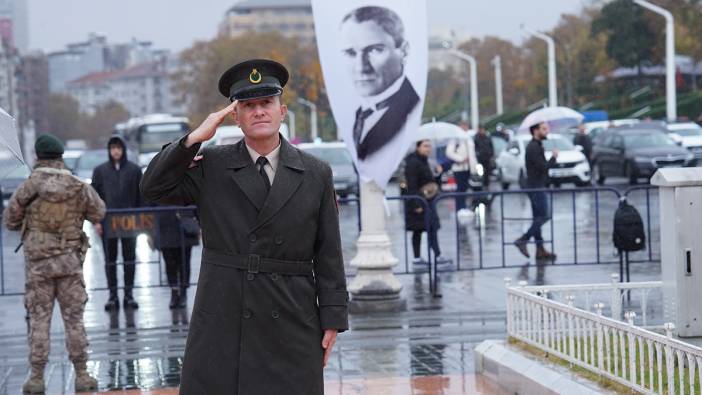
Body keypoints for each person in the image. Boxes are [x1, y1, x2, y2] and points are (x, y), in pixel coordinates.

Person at [140, 59, 348, 394]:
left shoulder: (316, 172)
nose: (259, 112)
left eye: (266, 103)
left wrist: (334, 317)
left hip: (292, 311)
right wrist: (193, 139)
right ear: (235, 117)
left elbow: (328, 252)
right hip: (225, 312)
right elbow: (151, 187)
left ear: (282, 110)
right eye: (248, 106)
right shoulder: (213, 166)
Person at [3, 134, 105, 393]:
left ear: (38, 156)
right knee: (74, 320)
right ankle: (82, 375)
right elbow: (99, 212)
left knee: (39, 320)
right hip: (70, 263)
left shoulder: (29, 185)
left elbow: (10, 220)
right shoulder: (77, 185)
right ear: (60, 156)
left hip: (38, 267)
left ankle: (36, 378)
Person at [340, 6, 420, 162]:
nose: (361, 67)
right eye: (351, 53)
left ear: (404, 50)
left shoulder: (412, 111)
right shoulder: (359, 114)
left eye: (375, 50)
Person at [91, 135, 143, 311]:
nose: (116, 151)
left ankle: (129, 294)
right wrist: (96, 221)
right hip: (108, 222)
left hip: (129, 222)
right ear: (109, 150)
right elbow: (94, 197)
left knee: (129, 260)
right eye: (113, 148)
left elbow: (140, 196)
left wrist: (142, 220)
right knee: (110, 260)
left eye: (119, 148)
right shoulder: (100, 171)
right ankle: (113, 295)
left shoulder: (135, 170)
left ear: (123, 150)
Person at [514, 122, 558, 260]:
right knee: (545, 216)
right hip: (536, 187)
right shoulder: (533, 147)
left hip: (537, 185)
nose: (547, 131)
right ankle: (523, 239)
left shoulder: (537, 145)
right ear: (535, 130)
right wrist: (554, 158)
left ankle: (540, 250)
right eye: (544, 129)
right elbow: (542, 167)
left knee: (538, 218)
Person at [404, 139, 449, 265]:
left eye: (429, 146)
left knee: (431, 228)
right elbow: (412, 185)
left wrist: (438, 174)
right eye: (425, 146)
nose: (428, 149)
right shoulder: (413, 163)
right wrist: (416, 204)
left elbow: (431, 182)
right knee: (419, 230)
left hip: (427, 202)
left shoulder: (424, 161)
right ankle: (419, 258)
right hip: (418, 202)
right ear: (418, 147)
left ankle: (436, 255)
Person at [155, 208, 199, 309]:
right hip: (166, 223)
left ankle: (182, 292)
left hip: (184, 224)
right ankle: (175, 291)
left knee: (184, 262)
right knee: (170, 262)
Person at [445, 122, 477, 216]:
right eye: (463, 126)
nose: (465, 128)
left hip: (468, 167)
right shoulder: (456, 139)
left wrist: (473, 166)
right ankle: (459, 207)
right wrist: (461, 159)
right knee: (460, 188)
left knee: (465, 188)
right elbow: (449, 152)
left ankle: (463, 207)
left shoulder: (468, 138)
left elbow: (472, 154)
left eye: (466, 126)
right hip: (459, 167)